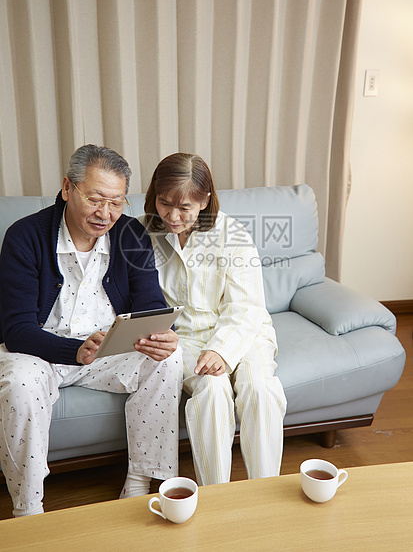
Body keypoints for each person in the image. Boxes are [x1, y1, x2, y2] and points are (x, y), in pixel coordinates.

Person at [0, 144, 182, 517]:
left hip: (105, 350)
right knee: (18, 381)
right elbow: (16, 329)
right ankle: (28, 508)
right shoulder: (25, 236)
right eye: (96, 199)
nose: (106, 213)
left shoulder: (130, 234)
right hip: (40, 352)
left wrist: (163, 332)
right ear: (68, 188)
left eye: (116, 202)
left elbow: (149, 301)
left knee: (170, 357)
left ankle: (139, 482)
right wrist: (74, 350)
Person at [143, 153, 287, 486]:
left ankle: (264, 492)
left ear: (204, 200)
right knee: (211, 389)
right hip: (185, 339)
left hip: (244, 331)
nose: (173, 217)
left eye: (185, 209)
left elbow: (246, 307)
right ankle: (216, 494)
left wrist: (222, 350)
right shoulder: (142, 232)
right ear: (155, 194)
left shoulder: (231, 234)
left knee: (260, 389)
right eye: (165, 204)